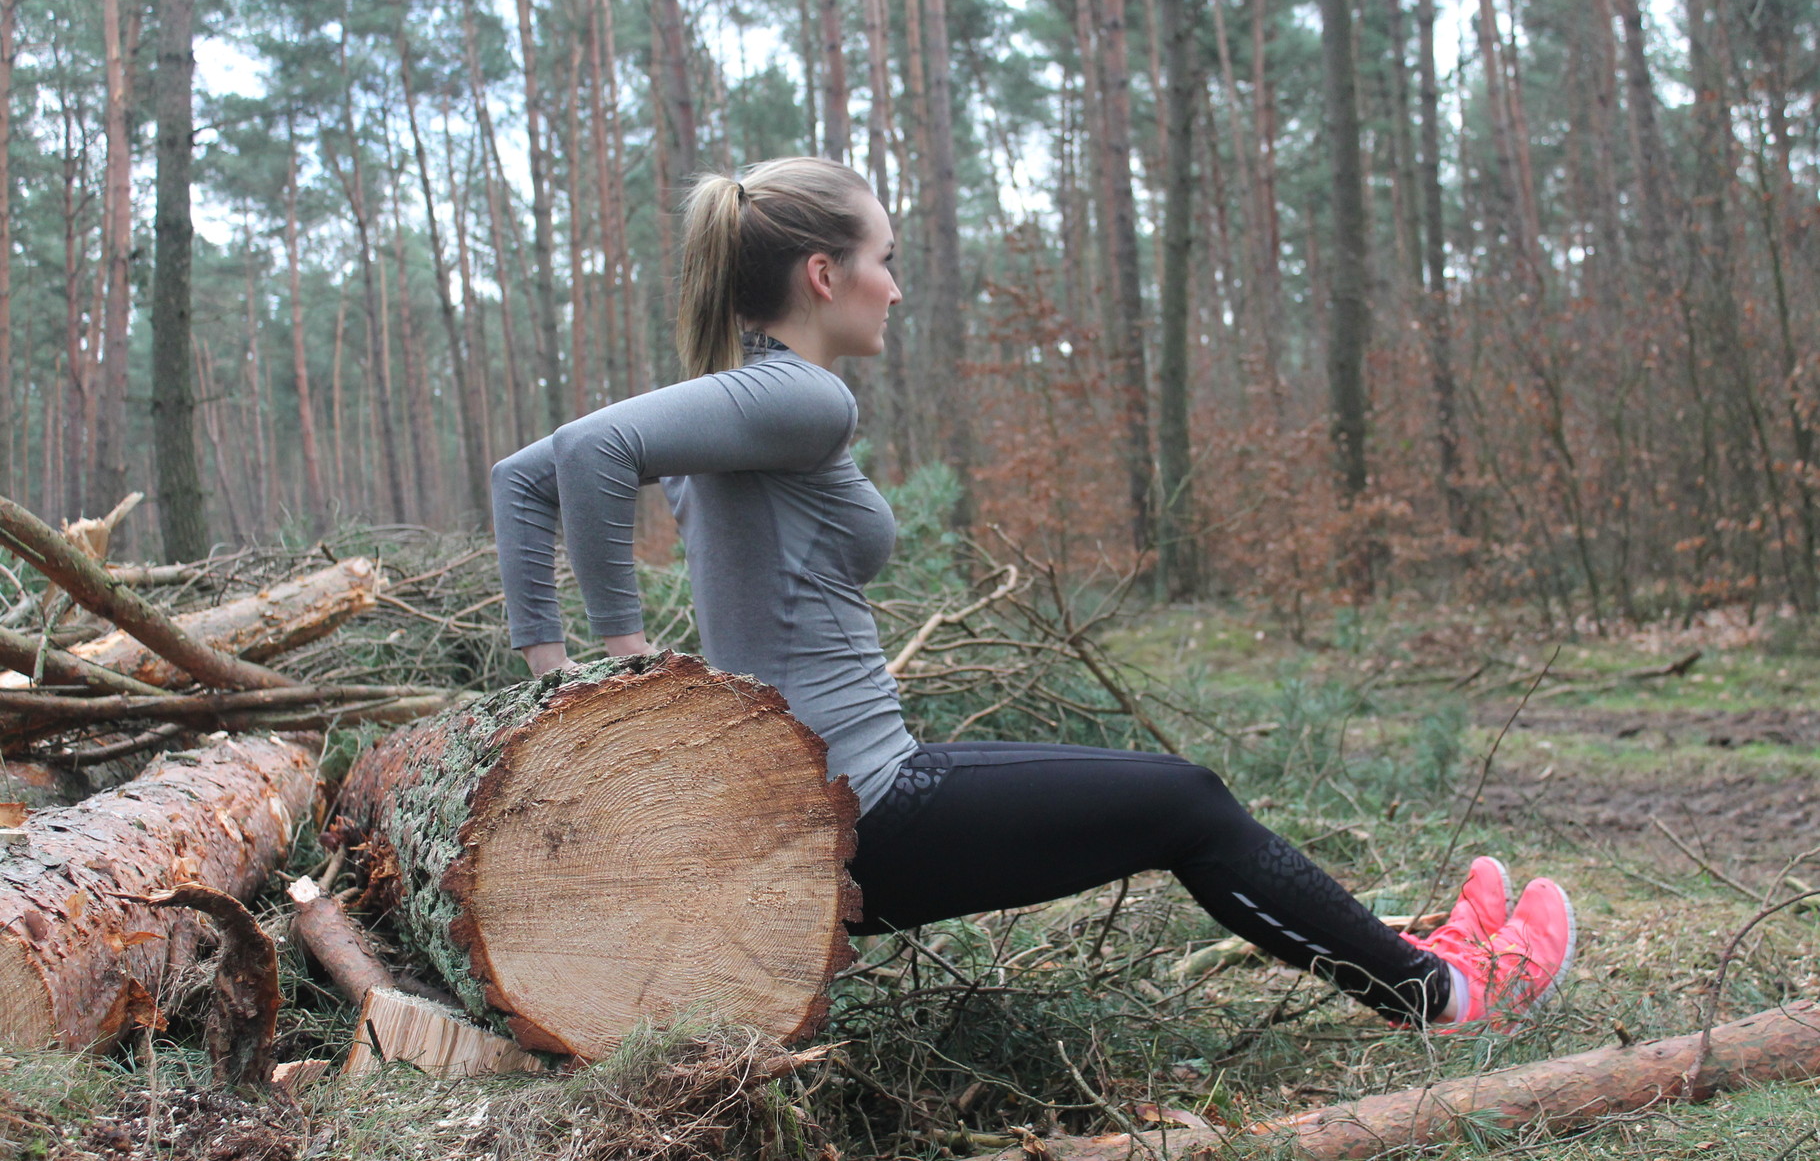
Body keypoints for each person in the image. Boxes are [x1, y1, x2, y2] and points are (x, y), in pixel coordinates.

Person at [490, 156, 1575, 1029]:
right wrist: (613, 674)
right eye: (886, 258)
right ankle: (1445, 995)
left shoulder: (721, 409)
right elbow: (587, 453)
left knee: (1171, 796)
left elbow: (525, 476)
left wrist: (555, 672)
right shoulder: (801, 398)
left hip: (816, 802)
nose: (897, 285)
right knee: (1186, 800)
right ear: (823, 274)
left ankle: (1423, 956)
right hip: (860, 810)